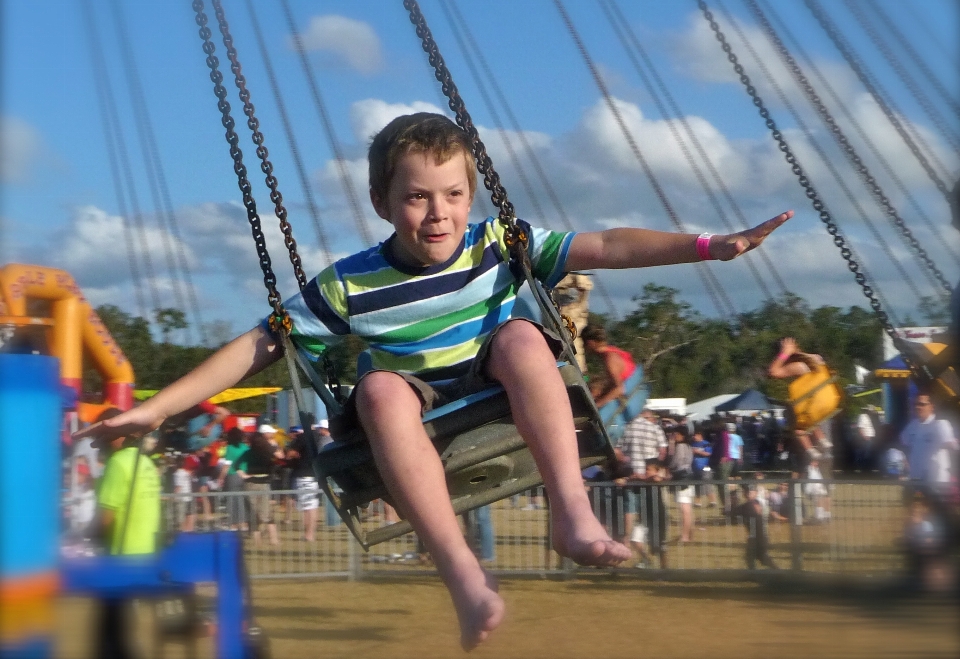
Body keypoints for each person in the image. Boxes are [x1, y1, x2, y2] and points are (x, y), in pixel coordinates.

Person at [77, 112, 791, 650]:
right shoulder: (351, 283)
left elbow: (604, 245)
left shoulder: (495, 244)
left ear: (472, 195)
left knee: (518, 334)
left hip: (491, 373)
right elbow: (257, 346)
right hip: (411, 396)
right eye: (417, 197)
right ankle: (461, 572)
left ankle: (572, 514)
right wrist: (158, 409)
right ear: (383, 202)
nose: (438, 212)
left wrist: (706, 246)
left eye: (453, 194)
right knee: (380, 387)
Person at [94, 408, 162, 659]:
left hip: (120, 555)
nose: (100, 442)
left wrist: (82, 538)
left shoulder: (117, 463)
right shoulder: (146, 463)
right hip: (146, 553)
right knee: (123, 629)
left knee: (110, 631)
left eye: (102, 434)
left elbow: (105, 517)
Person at [899, 393, 958, 493]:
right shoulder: (912, 425)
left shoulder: (940, 424)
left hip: (936, 481)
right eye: (916, 404)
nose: (918, 407)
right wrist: (905, 461)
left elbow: (952, 446)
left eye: (922, 404)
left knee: (937, 509)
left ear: (931, 406)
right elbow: (903, 443)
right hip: (917, 480)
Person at [236, 426, 284, 547]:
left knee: (253, 513)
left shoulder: (248, 452)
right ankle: (273, 540)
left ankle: (258, 542)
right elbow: (281, 457)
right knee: (267, 513)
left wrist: (244, 475)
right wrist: (274, 445)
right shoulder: (268, 451)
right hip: (263, 483)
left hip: (250, 483)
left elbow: (236, 464)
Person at [580, 324, 637, 408]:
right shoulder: (611, 351)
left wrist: (596, 406)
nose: (583, 347)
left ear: (590, 343)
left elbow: (619, 389)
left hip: (628, 398)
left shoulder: (609, 359)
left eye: (583, 343)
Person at [667, 425, 694, 543]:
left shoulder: (680, 446)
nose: (674, 436)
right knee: (688, 509)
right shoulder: (688, 446)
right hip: (688, 477)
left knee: (685, 510)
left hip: (682, 478)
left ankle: (685, 536)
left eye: (676, 434)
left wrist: (668, 467)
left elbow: (675, 462)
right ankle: (689, 534)